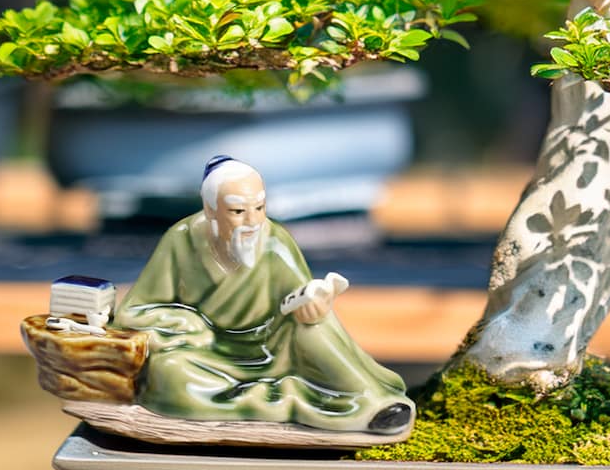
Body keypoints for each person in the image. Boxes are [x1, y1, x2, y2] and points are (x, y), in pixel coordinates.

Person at [114, 156, 414, 434]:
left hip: (271, 344)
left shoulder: (275, 242)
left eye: (259, 208)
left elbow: (301, 294)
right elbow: (134, 311)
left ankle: (372, 403)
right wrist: (187, 322)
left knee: (311, 328)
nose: (253, 222)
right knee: (170, 371)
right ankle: (281, 398)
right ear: (210, 210)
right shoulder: (181, 240)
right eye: (237, 211)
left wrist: (314, 305)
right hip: (208, 353)